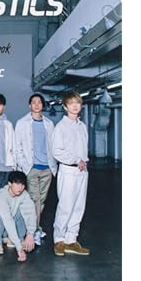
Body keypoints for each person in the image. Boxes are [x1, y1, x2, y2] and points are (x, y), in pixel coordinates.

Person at [13, 93, 58, 246]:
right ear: (29, 105)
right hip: (31, 168)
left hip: (47, 168)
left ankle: (35, 227)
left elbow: (53, 145)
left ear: (43, 105)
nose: (37, 104)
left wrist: (53, 165)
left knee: (41, 201)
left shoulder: (49, 124)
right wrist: (24, 165)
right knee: (34, 200)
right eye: (34, 102)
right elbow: (17, 146)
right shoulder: (22, 123)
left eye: (39, 102)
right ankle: (33, 232)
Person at [51, 92, 90, 257]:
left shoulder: (82, 126)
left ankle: (71, 240)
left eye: (77, 103)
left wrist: (82, 161)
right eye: (71, 103)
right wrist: (75, 159)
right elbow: (56, 151)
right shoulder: (61, 127)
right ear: (65, 106)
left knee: (79, 207)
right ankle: (59, 240)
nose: (75, 106)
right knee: (66, 206)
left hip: (82, 170)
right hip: (68, 170)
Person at [0, 171, 36, 262]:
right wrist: (19, 248)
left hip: (6, 229)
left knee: (23, 209)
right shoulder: (1, 195)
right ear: (9, 183)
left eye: (22, 184)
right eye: (17, 184)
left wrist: (30, 234)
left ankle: (14, 238)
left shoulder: (24, 194)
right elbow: (7, 219)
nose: (20, 187)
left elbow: (30, 213)